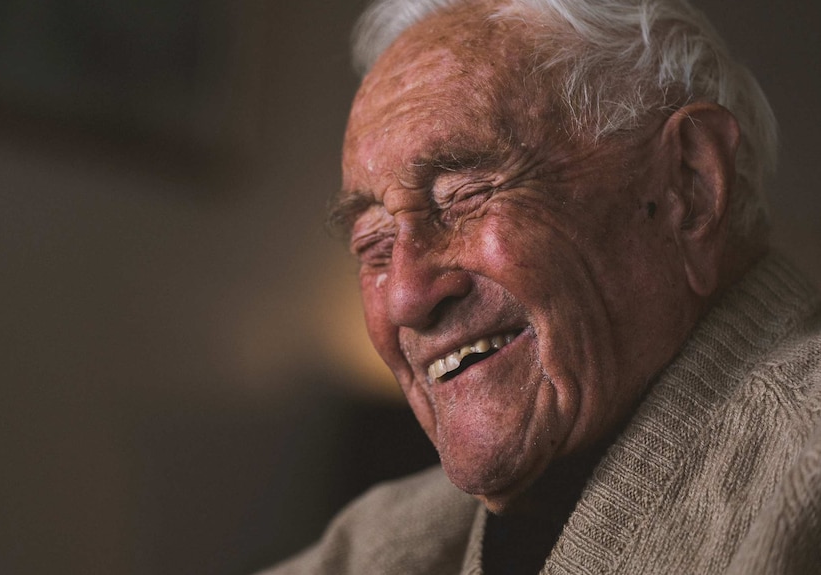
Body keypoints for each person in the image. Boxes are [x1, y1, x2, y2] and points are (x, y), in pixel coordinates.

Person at [258, 0, 821, 573]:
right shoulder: (378, 541)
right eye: (374, 243)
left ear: (690, 187)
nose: (405, 296)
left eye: (465, 194)